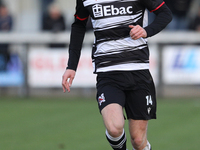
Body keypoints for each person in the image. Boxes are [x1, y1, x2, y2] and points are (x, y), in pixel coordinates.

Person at [62, 0, 172, 150]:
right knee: (114, 128)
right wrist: (71, 66)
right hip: (107, 73)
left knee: (138, 141)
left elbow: (165, 14)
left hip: (138, 71)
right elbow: (78, 25)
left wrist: (147, 31)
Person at [0, 4, 13, 71]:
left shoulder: (10, 18)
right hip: (1, 46)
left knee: (5, 64)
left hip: (6, 47)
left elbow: (8, 28)